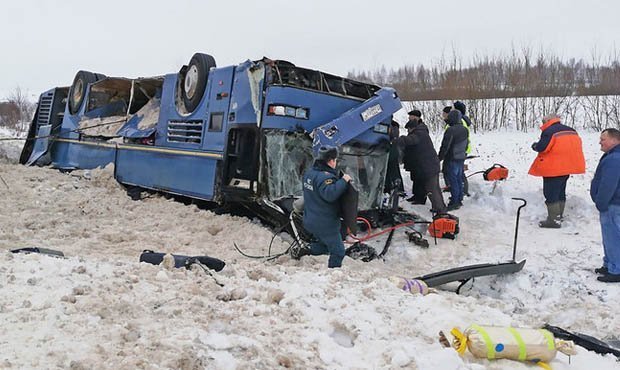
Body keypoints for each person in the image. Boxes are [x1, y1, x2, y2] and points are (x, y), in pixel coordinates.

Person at [528, 114, 585, 228]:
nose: (543, 124)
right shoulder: (571, 130)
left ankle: (553, 220)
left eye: (543, 122)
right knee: (560, 191)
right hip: (568, 166)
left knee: (550, 193)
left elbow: (543, 147)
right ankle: (559, 216)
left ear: (548, 121)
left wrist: (535, 145)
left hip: (553, 168)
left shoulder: (549, 131)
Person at [300, 146, 352, 268]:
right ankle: (332, 275)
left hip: (310, 219)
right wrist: (344, 181)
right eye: (335, 160)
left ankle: (307, 249)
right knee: (338, 252)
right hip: (325, 224)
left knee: (324, 245)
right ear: (331, 161)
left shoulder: (309, 173)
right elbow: (330, 194)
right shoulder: (325, 177)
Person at [398, 110, 447, 214]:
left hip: (430, 166)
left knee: (432, 189)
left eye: (409, 129)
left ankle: (441, 210)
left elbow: (410, 140)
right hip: (426, 165)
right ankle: (436, 207)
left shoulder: (419, 133)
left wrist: (398, 140)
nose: (409, 131)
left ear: (412, 128)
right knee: (430, 188)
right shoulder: (419, 131)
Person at [590, 128, 620, 282]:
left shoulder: (614, 159)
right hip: (612, 204)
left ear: (614, 140)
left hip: (612, 204)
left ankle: (616, 270)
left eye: (603, 139)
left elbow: (609, 184)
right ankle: (609, 264)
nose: (600, 142)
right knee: (609, 237)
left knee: (613, 237)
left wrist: (601, 202)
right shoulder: (612, 156)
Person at [438, 110, 468, 211]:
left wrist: (439, 158)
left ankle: (455, 201)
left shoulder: (450, 130)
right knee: (459, 179)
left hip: (452, 158)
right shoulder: (465, 129)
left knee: (453, 180)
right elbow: (466, 143)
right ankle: (459, 198)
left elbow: (445, 146)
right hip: (461, 157)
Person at [453, 101, 473, 195]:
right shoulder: (462, 120)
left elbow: (461, 136)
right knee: (459, 170)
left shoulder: (461, 121)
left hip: (461, 149)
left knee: (459, 171)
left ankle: (463, 190)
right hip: (462, 148)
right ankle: (461, 189)